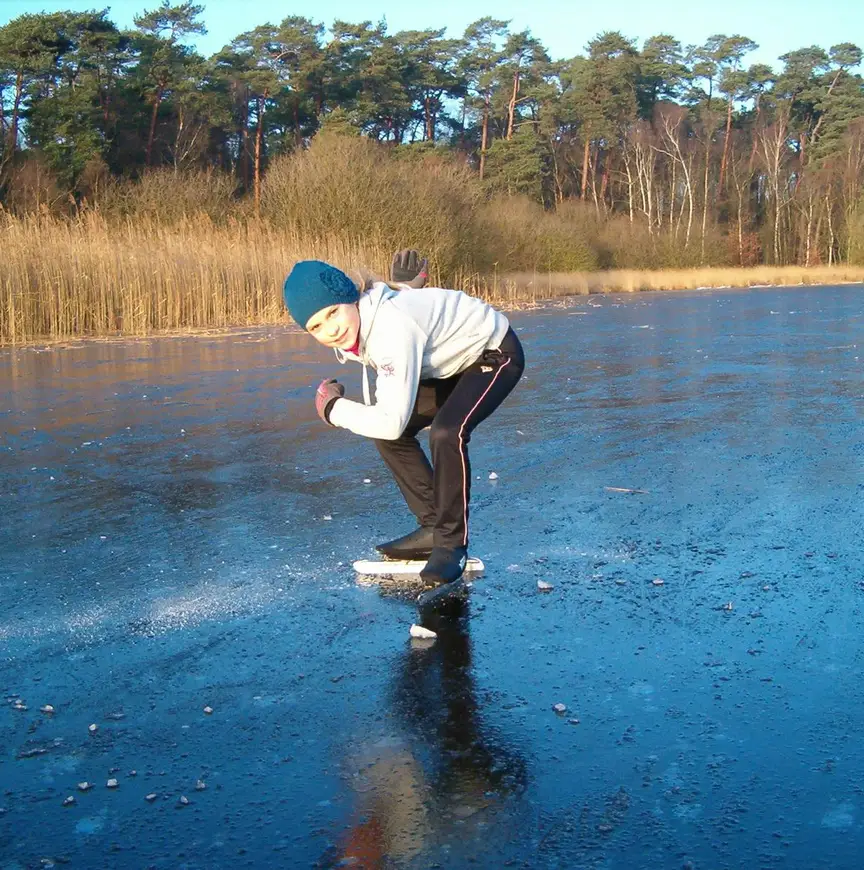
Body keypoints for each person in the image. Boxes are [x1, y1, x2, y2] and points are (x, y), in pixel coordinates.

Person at [283, 251, 525, 609]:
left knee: (446, 432)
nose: (331, 329)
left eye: (332, 312)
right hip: (449, 364)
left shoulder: (390, 327)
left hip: (492, 352)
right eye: (316, 327)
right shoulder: (368, 318)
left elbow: (392, 408)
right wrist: (409, 289)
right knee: (387, 433)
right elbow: (397, 303)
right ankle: (432, 524)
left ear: (351, 297)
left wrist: (333, 409)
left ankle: (450, 544)